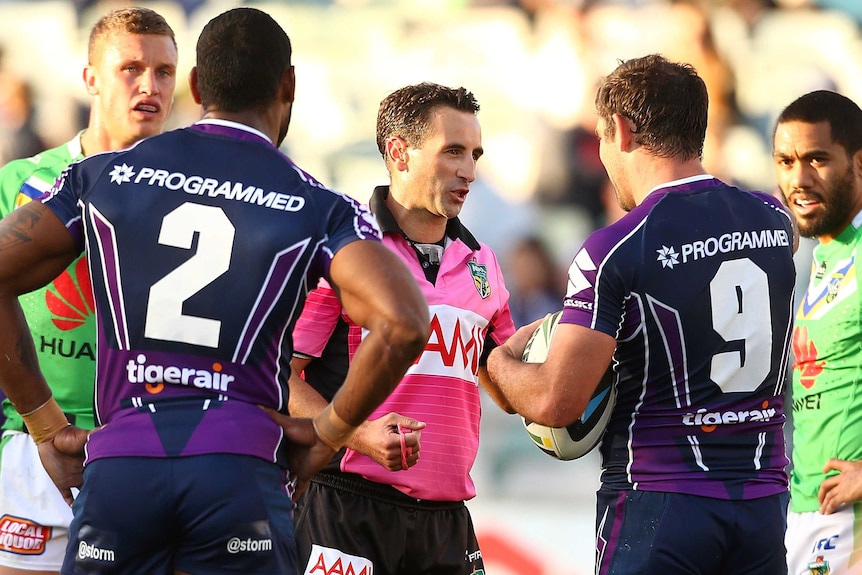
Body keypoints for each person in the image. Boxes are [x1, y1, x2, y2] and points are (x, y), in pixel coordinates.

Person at [0, 7, 429, 575]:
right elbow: (405, 322)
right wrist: (330, 433)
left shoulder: (105, 175)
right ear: (289, 85)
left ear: (196, 84)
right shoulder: (317, 203)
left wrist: (44, 421)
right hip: (240, 469)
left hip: (123, 464)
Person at [486, 53, 797, 574]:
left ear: (624, 131)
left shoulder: (617, 247)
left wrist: (495, 362)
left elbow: (555, 402)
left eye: (603, 139)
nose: (604, 157)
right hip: (763, 501)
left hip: (660, 501)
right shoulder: (774, 221)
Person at [289, 82, 516, 575]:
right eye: (452, 151)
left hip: (447, 520)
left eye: (474, 154)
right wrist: (358, 433)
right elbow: (282, 378)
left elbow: (504, 378)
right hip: (348, 505)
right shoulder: (345, 252)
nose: (469, 171)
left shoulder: (484, 263)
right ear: (398, 153)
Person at [0, 8, 178, 575]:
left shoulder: (196, 195)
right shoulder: (21, 180)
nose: (150, 86)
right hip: (33, 447)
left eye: (165, 71)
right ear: (90, 78)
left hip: (147, 453)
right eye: (131, 68)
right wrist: (43, 427)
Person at [772, 90, 862, 575]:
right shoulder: (827, 253)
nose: (798, 179)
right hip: (812, 514)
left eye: (817, 159)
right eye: (786, 161)